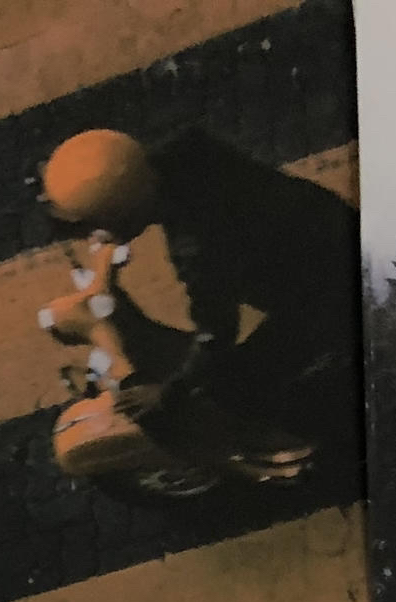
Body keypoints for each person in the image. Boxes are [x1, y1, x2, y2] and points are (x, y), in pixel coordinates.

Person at [37, 126, 360, 490]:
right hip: (323, 222)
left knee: (233, 386)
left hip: (327, 287)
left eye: (101, 224)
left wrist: (166, 392)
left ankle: (289, 454)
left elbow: (215, 334)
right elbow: (107, 171)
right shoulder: (185, 149)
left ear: (125, 215)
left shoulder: (199, 249)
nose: (97, 233)